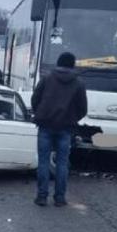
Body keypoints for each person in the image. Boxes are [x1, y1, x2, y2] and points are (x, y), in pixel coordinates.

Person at [31, 52, 88, 207]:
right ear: (72, 64)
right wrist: (72, 119)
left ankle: (42, 196)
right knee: (62, 163)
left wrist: (40, 113)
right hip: (66, 128)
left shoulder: (47, 78)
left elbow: (35, 99)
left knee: (43, 161)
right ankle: (60, 198)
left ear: (58, 63)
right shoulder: (78, 83)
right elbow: (83, 109)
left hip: (45, 125)